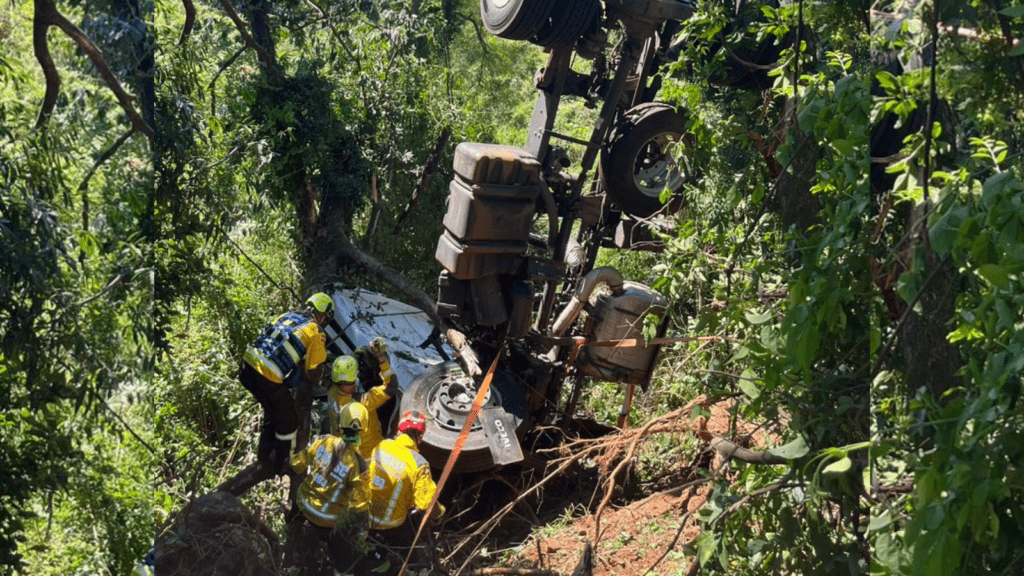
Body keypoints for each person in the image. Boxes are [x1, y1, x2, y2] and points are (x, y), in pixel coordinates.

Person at [240, 292, 333, 473]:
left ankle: (264, 455)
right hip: (267, 375)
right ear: (323, 315)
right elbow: (313, 372)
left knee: (274, 410)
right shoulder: (315, 331)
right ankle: (279, 465)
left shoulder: (287, 315)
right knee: (290, 422)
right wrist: (321, 367)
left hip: (247, 366)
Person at [290, 402, 371, 575]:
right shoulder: (358, 463)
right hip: (326, 519)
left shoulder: (325, 441)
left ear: (340, 424)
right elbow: (360, 505)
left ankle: (294, 532)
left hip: (303, 503)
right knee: (345, 559)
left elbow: (298, 463)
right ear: (363, 429)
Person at [366, 410, 445, 571]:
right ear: (420, 438)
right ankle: (411, 569)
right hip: (391, 524)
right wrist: (441, 513)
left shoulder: (382, 446)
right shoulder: (418, 463)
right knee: (411, 552)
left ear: (399, 430)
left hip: (367, 514)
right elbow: (426, 505)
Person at [328, 337, 398, 459]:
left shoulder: (332, 392)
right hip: (371, 454)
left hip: (347, 453)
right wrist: (382, 358)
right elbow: (392, 386)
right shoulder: (363, 402)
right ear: (355, 378)